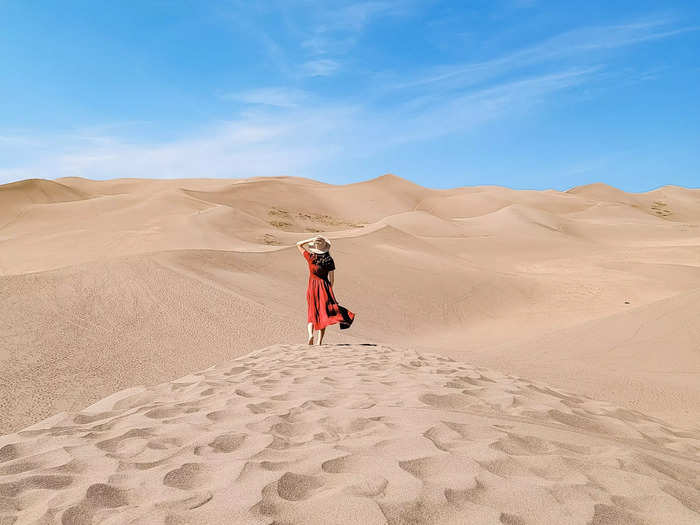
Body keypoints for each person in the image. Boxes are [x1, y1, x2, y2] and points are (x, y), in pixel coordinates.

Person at [296, 235, 355, 344]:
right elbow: (332, 280)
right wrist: (328, 291)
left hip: (312, 287)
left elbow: (298, 244)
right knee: (324, 313)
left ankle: (310, 335)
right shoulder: (329, 260)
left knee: (312, 312)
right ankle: (319, 341)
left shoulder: (311, 258)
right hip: (324, 287)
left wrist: (311, 239)